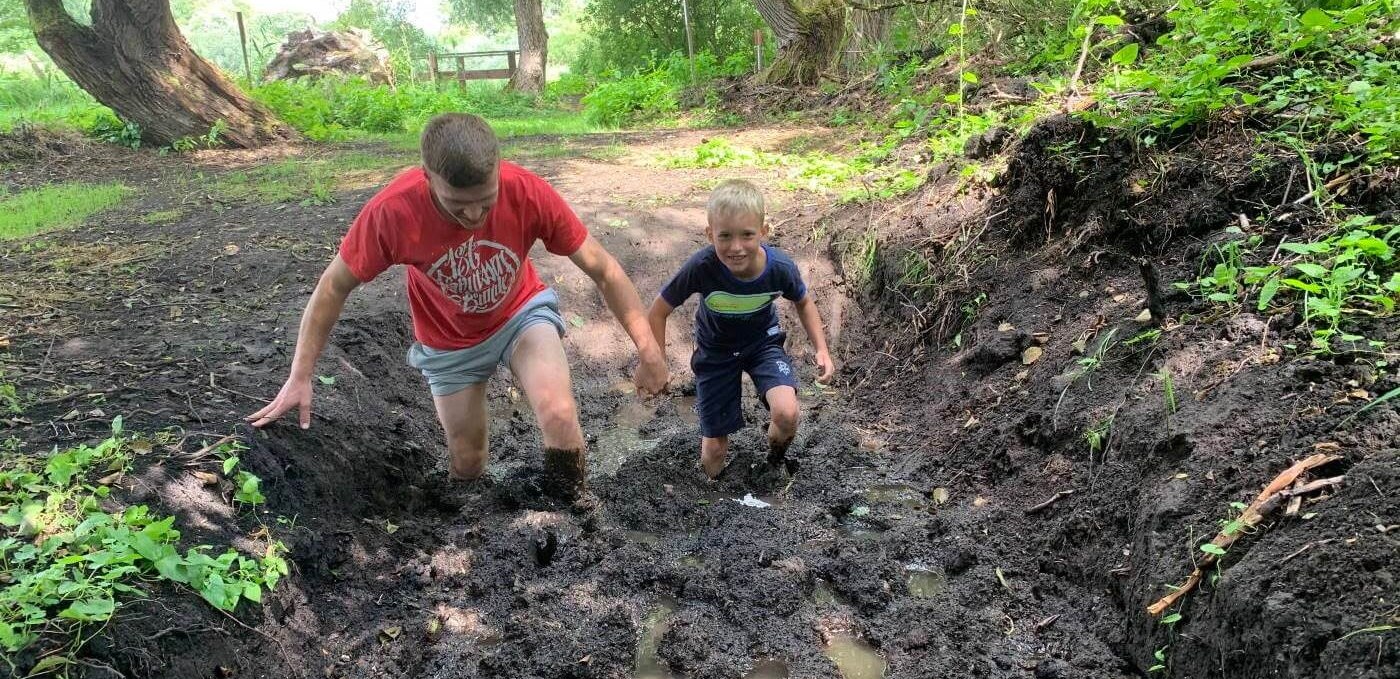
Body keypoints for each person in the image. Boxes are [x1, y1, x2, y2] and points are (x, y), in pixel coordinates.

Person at [247, 112, 668, 500]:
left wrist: (648, 351)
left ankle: (574, 513)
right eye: (457, 204)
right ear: (427, 177)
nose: (473, 214)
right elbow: (332, 288)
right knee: (467, 461)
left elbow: (604, 270)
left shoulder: (527, 191)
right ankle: (472, 526)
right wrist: (300, 375)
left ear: (499, 170)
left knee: (558, 413)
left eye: (485, 201)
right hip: (448, 341)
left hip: (521, 315)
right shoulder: (392, 213)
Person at [647, 179, 834, 479]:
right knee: (715, 451)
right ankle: (712, 493)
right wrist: (657, 362)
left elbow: (804, 302)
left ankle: (773, 463)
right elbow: (658, 312)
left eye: (747, 235)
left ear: (763, 231)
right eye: (725, 236)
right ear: (710, 234)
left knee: (787, 414)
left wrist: (822, 349)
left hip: (763, 344)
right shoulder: (702, 267)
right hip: (715, 351)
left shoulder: (779, 268)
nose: (736, 247)